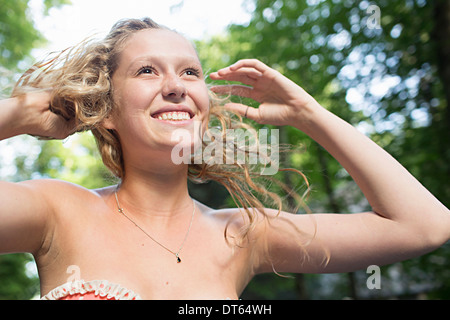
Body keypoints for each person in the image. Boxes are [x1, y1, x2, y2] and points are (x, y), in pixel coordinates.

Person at [0, 17, 449, 300]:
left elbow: (425, 225)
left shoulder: (243, 236)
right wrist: (18, 113)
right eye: (146, 70)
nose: (175, 85)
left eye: (190, 72)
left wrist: (309, 114)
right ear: (108, 109)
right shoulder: (54, 211)